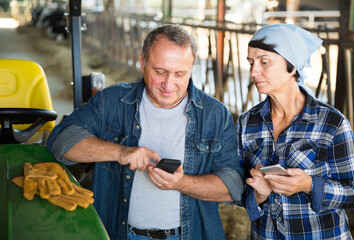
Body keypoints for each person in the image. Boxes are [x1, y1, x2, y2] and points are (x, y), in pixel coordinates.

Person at [47, 24, 244, 240]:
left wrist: (181, 183)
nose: (169, 84)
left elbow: (232, 186)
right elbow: (60, 141)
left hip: (188, 235)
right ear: (143, 63)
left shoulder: (215, 114)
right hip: (120, 233)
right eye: (160, 72)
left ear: (192, 68)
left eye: (180, 74)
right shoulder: (111, 101)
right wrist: (121, 152)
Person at [237, 23, 354, 239]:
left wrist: (310, 185)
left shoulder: (331, 123)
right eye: (251, 62)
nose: (253, 71)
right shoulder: (247, 123)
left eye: (264, 62)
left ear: (292, 66)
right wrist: (258, 194)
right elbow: (237, 190)